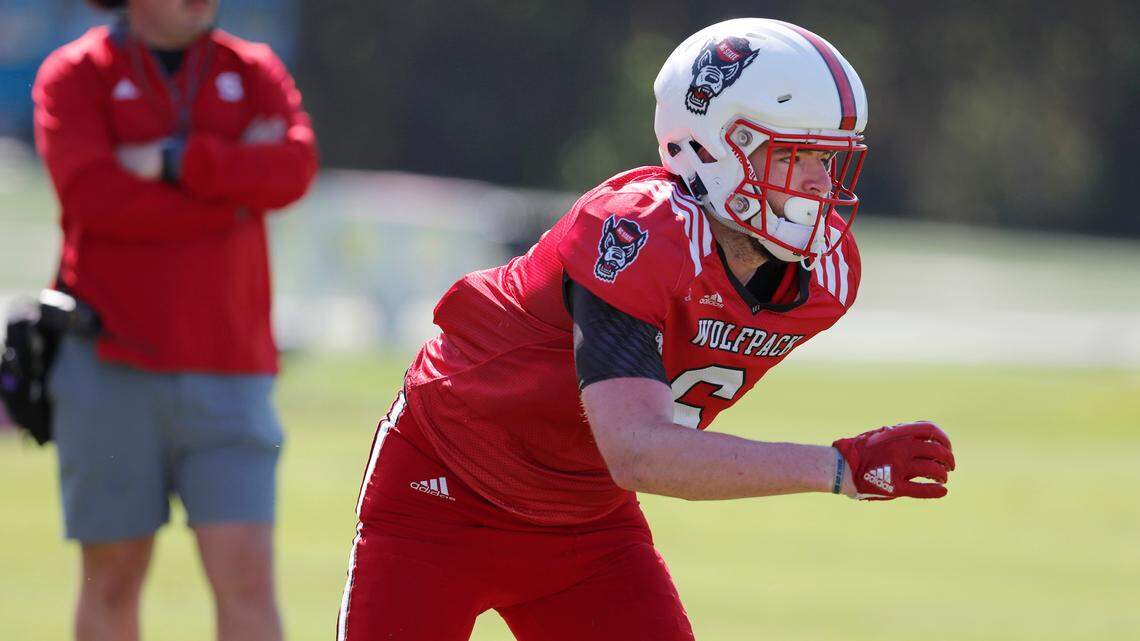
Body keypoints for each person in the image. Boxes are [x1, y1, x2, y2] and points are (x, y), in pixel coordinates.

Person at [337, 18, 955, 641]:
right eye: (798, 157)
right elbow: (637, 449)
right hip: (445, 489)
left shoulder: (826, 279)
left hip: (586, 521)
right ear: (718, 147)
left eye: (828, 158)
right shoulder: (640, 231)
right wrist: (835, 469)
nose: (822, 184)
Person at [32, 1, 317, 640]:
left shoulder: (254, 69)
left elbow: (294, 170)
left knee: (246, 572)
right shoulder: (75, 73)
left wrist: (175, 163)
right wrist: (233, 202)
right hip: (108, 364)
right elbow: (94, 199)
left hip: (233, 365)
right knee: (112, 574)